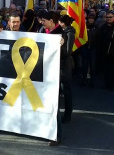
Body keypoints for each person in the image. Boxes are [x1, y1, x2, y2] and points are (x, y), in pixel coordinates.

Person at [39, 11, 67, 146]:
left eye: (43, 20)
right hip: (41, 72)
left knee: (52, 105)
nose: (41, 23)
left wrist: (62, 44)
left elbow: (67, 54)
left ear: (51, 21)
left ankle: (57, 135)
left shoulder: (61, 33)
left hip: (53, 74)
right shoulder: (42, 30)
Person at [58, 15, 75, 124]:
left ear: (62, 23)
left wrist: (60, 46)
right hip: (61, 66)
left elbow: (68, 52)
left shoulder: (69, 33)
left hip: (65, 67)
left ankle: (68, 113)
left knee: (66, 90)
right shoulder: (64, 32)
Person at [82, 12, 97, 87]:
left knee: (92, 66)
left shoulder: (96, 27)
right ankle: (84, 80)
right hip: (85, 48)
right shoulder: (84, 27)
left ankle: (92, 81)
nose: (91, 20)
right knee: (84, 65)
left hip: (93, 49)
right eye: (89, 18)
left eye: (92, 18)